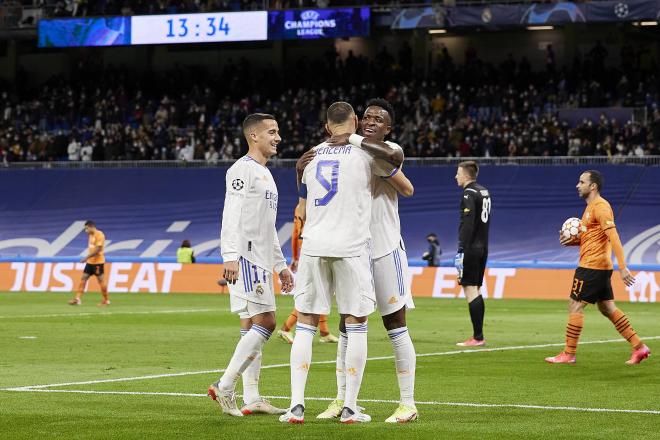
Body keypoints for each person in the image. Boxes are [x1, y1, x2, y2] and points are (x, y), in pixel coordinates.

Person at [279, 102, 403, 424]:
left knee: (305, 324)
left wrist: (297, 169)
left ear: (325, 127)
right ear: (355, 122)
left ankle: (295, 406)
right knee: (355, 323)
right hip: (350, 247)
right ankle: (349, 407)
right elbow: (395, 160)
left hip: (314, 246)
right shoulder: (365, 152)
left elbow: (303, 194)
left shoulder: (312, 154)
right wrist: (355, 141)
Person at [313, 98, 418, 423]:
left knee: (394, 325)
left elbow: (407, 187)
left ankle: (407, 403)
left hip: (385, 249)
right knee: (348, 325)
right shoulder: (349, 153)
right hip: (354, 251)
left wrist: (353, 140)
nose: (372, 121)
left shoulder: (386, 149)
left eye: (379, 119)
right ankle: (342, 399)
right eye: (368, 117)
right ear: (358, 120)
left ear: (389, 128)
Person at [207, 113, 295, 417]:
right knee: (267, 322)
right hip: (245, 257)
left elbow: (268, 226)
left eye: (278, 131)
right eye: (272, 132)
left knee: (249, 325)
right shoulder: (241, 170)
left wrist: (281, 264)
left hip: (259, 257)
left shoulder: (267, 174)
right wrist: (229, 255)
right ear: (253, 136)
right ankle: (225, 385)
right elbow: (231, 212)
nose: (278, 137)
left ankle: (253, 396)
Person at [545, 170, 650, 364]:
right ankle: (639, 347)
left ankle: (568, 354)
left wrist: (624, 267)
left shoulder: (600, 207)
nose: (578, 185)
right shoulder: (590, 208)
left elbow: (614, 236)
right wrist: (573, 242)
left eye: (581, 182)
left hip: (591, 267)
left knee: (575, 305)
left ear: (593, 186)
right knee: (607, 308)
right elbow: (594, 238)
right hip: (600, 266)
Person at [278, 205, 339, 344]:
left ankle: (324, 331)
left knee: (320, 291)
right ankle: (286, 328)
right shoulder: (322, 203)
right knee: (312, 294)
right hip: (317, 250)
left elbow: (295, 233)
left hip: (306, 251)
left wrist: (295, 257)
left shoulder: (299, 207)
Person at [454, 161, 491, 347]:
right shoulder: (484, 191)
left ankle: (477, 337)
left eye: (458, 173)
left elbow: (468, 223)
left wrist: (462, 247)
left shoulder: (468, 193)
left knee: (469, 289)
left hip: (471, 247)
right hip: (483, 246)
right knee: (476, 289)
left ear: (466, 175)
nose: (456, 177)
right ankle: (479, 335)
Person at [68, 220, 110, 306]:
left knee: (101, 281)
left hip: (98, 262)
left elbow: (98, 250)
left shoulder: (100, 235)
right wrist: (88, 259)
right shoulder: (90, 235)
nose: (85, 231)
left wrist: (86, 258)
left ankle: (106, 300)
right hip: (90, 262)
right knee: (83, 279)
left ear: (91, 227)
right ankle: (77, 299)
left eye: (86, 229)